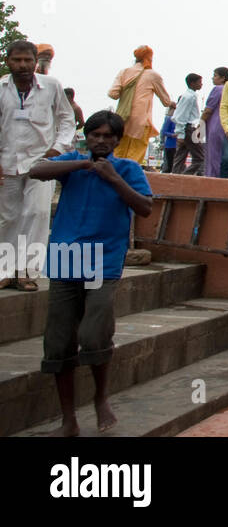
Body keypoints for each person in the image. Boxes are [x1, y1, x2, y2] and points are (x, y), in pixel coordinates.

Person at [29, 110, 153, 436]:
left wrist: (112, 177)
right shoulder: (73, 164)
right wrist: (82, 164)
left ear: (117, 140)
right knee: (58, 342)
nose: (100, 141)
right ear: (86, 137)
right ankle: (68, 418)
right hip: (64, 260)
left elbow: (144, 206)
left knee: (94, 334)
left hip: (103, 261)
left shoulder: (127, 168)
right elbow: (36, 170)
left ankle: (101, 398)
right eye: (94, 135)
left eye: (106, 136)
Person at [0, 40, 76, 290]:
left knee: (37, 213)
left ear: (35, 62)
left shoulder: (51, 86)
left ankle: (26, 272)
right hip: (7, 162)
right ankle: (5, 270)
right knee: (7, 218)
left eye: (27, 60)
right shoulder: (1, 87)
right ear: (8, 61)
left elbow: (67, 119)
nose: (22, 65)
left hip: (41, 162)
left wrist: (57, 150)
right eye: (17, 60)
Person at [106, 46, 173, 163]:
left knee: (117, 155)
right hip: (141, 122)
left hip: (121, 120)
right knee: (133, 159)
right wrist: (173, 104)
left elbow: (113, 94)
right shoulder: (153, 75)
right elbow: (166, 101)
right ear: (149, 58)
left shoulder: (124, 72)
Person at [169, 73, 205, 174]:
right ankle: (185, 176)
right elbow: (181, 115)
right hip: (189, 128)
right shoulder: (189, 97)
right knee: (199, 158)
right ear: (192, 83)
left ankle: (175, 177)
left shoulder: (190, 96)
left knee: (180, 156)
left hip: (187, 128)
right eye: (199, 82)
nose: (201, 84)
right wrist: (180, 133)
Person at [202, 67, 228, 177]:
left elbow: (208, 110)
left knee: (213, 155)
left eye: (215, 75)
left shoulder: (217, 89)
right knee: (226, 156)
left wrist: (199, 125)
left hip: (215, 126)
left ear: (223, 78)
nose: (212, 78)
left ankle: (213, 178)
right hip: (227, 126)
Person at [159, 107, 178, 173]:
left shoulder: (181, 119)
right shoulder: (169, 119)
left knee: (176, 166)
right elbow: (163, 132)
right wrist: (172, 135)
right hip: (170, 146)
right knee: (168, 166)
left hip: (178, 146)